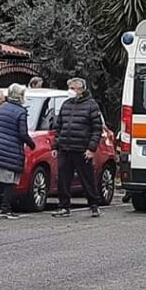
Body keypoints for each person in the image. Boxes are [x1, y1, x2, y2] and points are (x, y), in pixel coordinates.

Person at [52, 77, 104, 218]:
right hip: (65, 147)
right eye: (71, 88)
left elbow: (96, 129)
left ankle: (94, 205)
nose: (73, 91)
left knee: (87, 178)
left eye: (76, 88)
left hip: (82, 148)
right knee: (63, 178)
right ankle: (64, 206)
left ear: (82, 89)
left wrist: (91, 148)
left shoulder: (91, 105)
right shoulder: (66, 104)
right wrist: (55, 145)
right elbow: (59, 126)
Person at [0, 84, 35, 219]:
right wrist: (31, 144)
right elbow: (23, 133)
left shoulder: (2, 107)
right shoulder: (21, 111)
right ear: (20, 96)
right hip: (11, 149)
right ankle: (5, 209)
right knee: (9, 181)